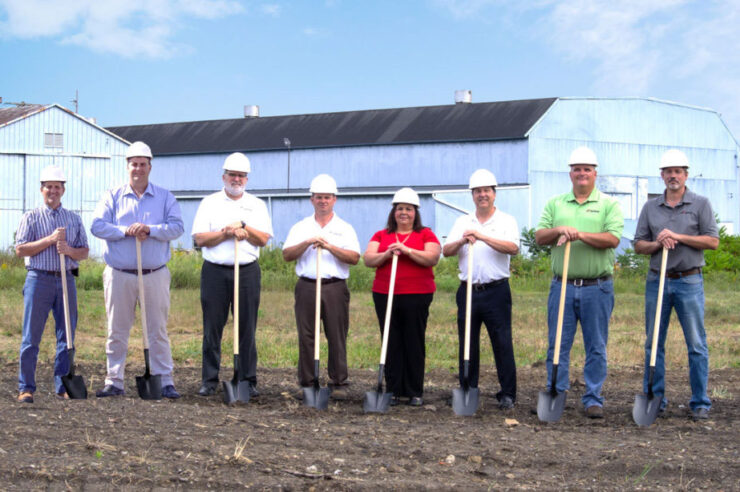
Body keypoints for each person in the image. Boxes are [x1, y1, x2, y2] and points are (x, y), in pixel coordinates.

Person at [535, 147, 624, 418]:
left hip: (597, 287)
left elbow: (612, 239)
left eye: (587, 169)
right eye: (577, 169)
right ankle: (556, 391)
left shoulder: (608, 204)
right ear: (570, 173)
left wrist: (580, 235)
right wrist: (560, 229)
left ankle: (593, 397)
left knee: (596, 345)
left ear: (595, 173)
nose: (582, 173)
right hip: (561, 285)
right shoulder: (556, 203)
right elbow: (540, 237)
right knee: (557, 342)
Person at [91, 141, 184, 398]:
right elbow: (97, 226)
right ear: (127, 166)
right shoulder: (112, 196)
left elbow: (177, 227)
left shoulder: (165, 197)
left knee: (157, 330)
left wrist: (151, 230)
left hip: (154, 274)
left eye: (143, 164)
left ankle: (164, 380)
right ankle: (114, 380)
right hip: (120, 274)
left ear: (150, 167)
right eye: (134, 164)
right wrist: (125, 230)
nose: (138, 169)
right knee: (116, 330)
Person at [633, 149, 719, 420]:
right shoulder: (650, 207)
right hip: (657, 280)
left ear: (686, 174)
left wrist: (678, 236)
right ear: (662, 175)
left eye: (678, 171)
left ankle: (700, 402)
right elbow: (638, 245)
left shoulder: (700, 204)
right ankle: (655, 397)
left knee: (696, 343)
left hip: (689, 280)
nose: (673, 176)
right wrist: (658, 242)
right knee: (653, 342)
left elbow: (712, 241)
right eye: (668, 171)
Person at [191, 152, 272, 397]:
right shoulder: (210, 202)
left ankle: (247, 378)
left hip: (247, 271)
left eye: (241, 176)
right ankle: (209, 379)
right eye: (232, 175)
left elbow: (264, 239)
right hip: (215, 272)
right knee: (212, 327)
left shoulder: (256, 205)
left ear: (246, 179)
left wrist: (244, 228)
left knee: (246, 327)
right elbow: (200, 238)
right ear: (224, 176)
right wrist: (226, 233)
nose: (236, 179)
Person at [442, 169, 520, 410]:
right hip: (468, 291)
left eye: (486, 191)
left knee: (502, 341)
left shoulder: (506, 220)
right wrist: (463, 240)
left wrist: (482, 236)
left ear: (494, 194)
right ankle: (468, 387)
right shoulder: (462, 221)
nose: (482, 195)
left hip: (496, 291)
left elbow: (513, 248)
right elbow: (446, 251)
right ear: (472, 195)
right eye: (477, 192)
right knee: (467, 341)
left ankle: (507, 392)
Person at [15, 166, 89, 403]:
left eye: (57, 187)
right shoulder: (31, 217)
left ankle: (63, 385)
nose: (53, 191)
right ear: (42, 189)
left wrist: (69, 250)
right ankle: (26, 387)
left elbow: (85, 252)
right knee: (31, 337)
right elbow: (20, 249)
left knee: (66, 335)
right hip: (39, 279)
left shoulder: (74, 218)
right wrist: (49, 240)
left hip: (66, 279)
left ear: (63, 190)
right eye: (49, 186)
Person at [282, 174, 360, 400]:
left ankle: (339, 381)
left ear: (334, 199)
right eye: (318, 197)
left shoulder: (344, 228)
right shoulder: (301, 227)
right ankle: (307, 381)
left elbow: (354, 258)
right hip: (307, 285)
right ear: (311, 200)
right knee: (306, 335)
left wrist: (329, 246)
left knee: (336, 334)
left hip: (334, 286)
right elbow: (287, 254)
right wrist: (307, 242)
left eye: (327, 197)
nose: (323, 201)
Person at [363, 187, 440, 406]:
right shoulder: (381, 235)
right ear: (393, 212)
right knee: (391, 340)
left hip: (417, 295)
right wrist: (387, 252)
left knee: (413, 340)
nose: (403, 213)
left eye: (408, 209)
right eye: (400, 209)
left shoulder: (425, 234)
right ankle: (394, 389)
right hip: (385, 294)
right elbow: (369, 259)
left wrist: (407, 251)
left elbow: (432, 257)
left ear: (415, 212)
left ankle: (414, 390)